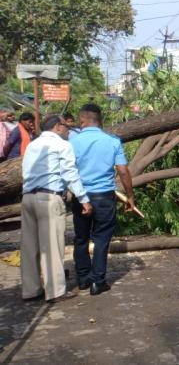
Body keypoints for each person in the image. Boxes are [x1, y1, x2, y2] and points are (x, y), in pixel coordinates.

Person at [21, 115, 93, 302]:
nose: (69, 128)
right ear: (57, 127)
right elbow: (70, 173)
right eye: (66, 125)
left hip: (28, 197)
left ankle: (31, 290)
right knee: (51, 245)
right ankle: (55, 291)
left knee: (29, 246)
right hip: (49, 197)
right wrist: (83, 198)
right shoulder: (62, 145)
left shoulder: (32, 145)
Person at [70, 103, 134, 296]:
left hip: (80, 197)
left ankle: (83, 279)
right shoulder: (112, 141)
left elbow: (68, 170)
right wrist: (130, 196)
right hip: (105, 197)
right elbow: (123, 170)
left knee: (81, 238)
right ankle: (98, 282)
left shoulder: (72, 142)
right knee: (101, 239)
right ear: (100, 121)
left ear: (82, 121)